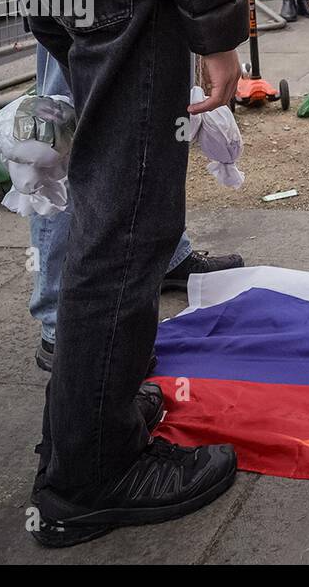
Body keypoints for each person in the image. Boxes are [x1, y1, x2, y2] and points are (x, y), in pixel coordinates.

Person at [0, 0, 248, 546]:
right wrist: (217, 23)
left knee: (103, 194)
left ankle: (95, 408)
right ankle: (88, 476)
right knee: (127, 218)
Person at [28, 45, 244, 372]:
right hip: (85, 0)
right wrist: (217, 38)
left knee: (156, 114)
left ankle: (168, 255)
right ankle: (62, 322)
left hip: (126, 1)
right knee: (66, 127)